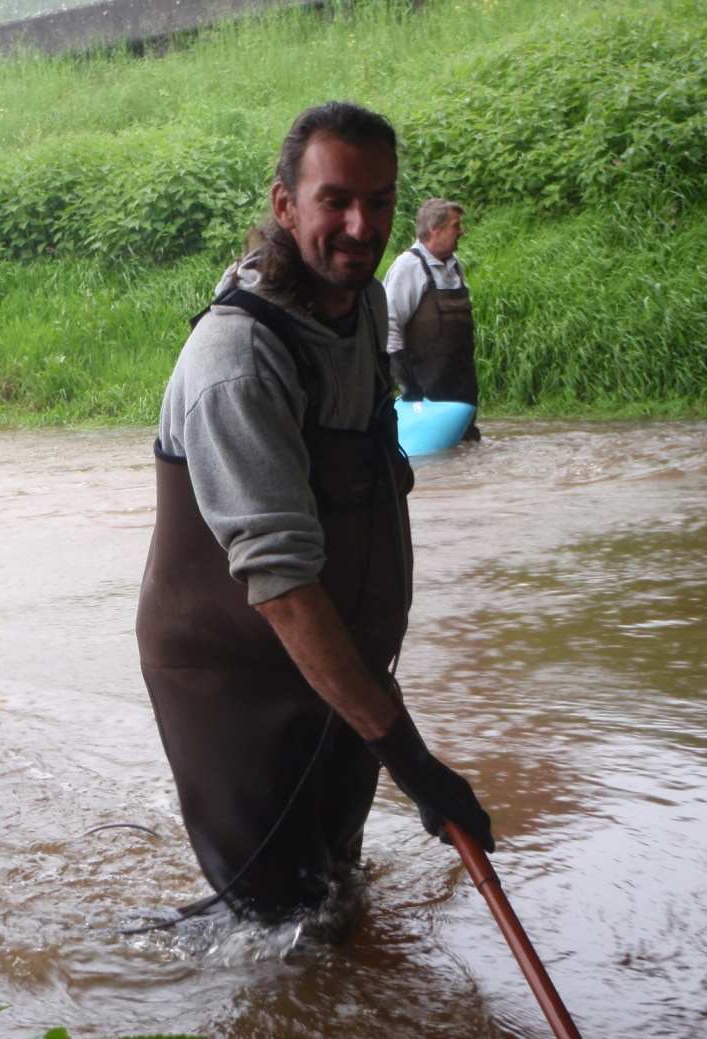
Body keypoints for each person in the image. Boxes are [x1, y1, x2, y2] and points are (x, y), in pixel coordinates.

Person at [135, 102, 493, 924]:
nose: (361, 225)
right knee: (274, 926)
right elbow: (285, 586)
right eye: (335, 200)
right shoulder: (237, 360)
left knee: (337, 893)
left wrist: (378, 708)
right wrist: (411, 760)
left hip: (339, 666)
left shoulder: (362, 304)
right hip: (233, 676)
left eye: (380, 200)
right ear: (284, 205)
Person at [383, 197, 481, 441]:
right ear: (435, 230)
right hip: (424, 390)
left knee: (467, 452)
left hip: (462, 385)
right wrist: (409, 388)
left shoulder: (455, 266)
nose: (462, 231)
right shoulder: (408, 267)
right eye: (456, 226)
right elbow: (388, 326)